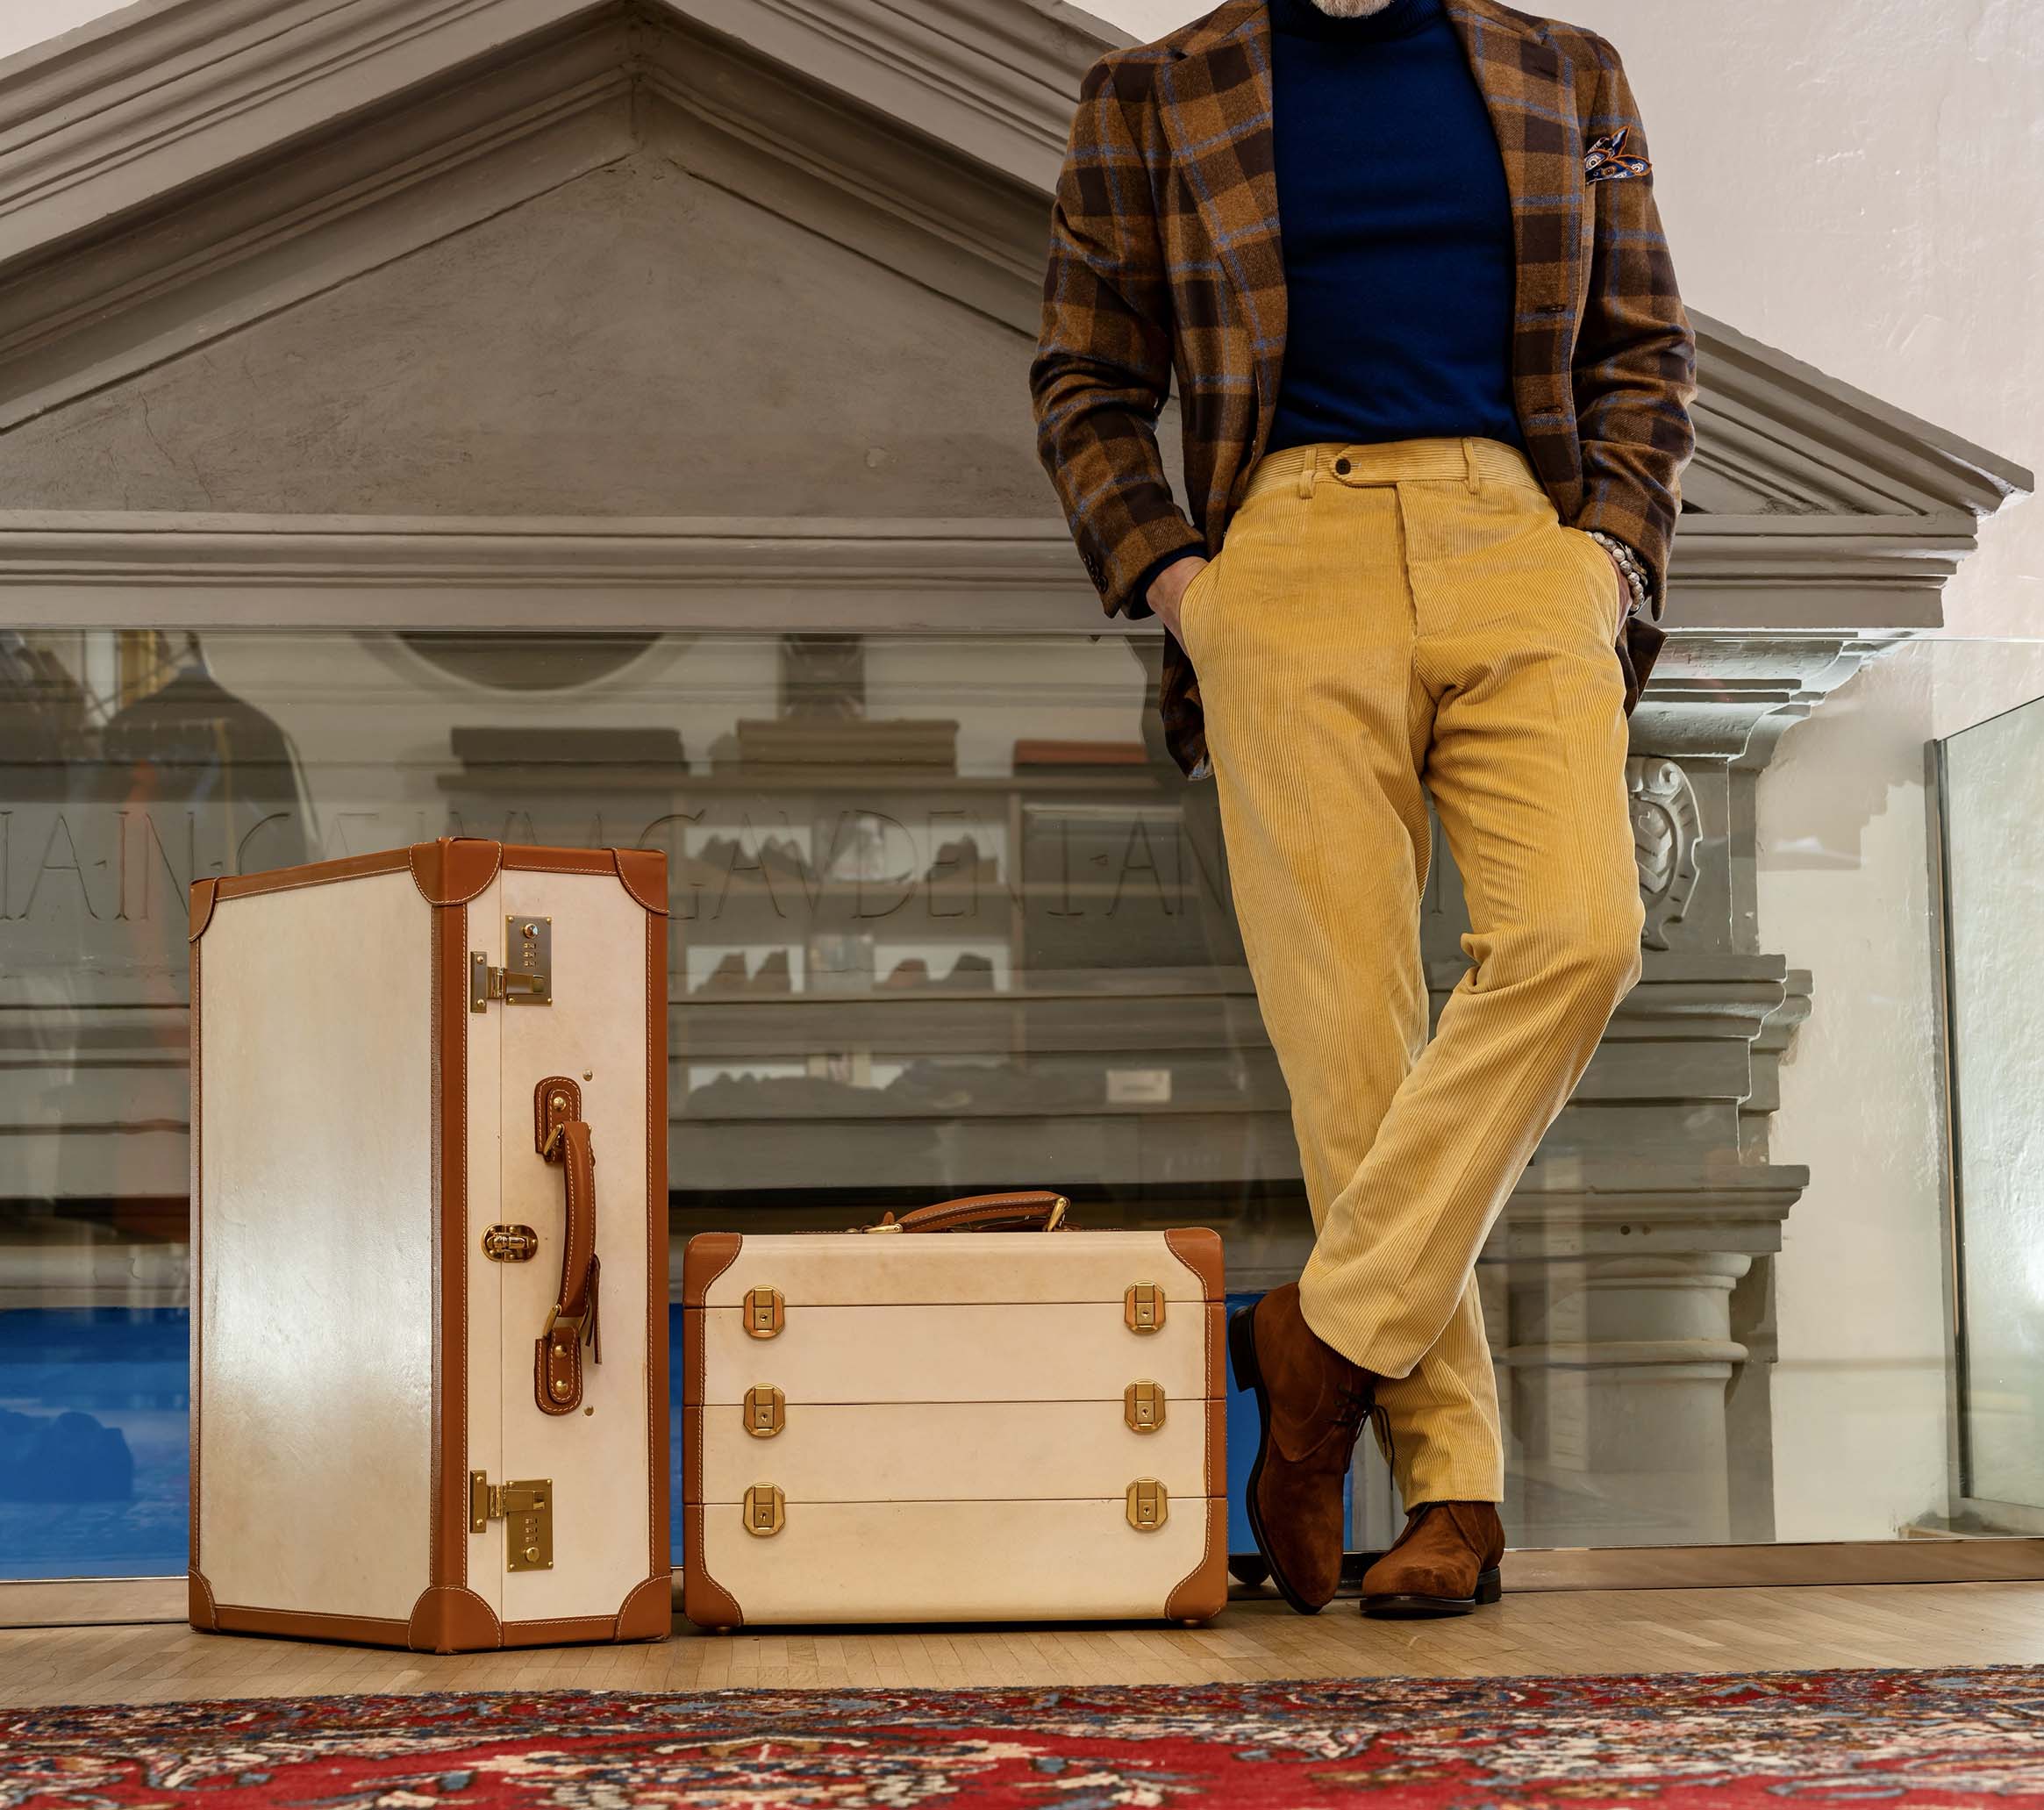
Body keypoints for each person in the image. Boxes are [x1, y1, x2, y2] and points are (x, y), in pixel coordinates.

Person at [1028, 0, 1696, 1619]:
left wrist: (1605, 557)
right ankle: (1451, 1489)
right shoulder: (1153, 91)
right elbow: (1086, 374)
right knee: (1350, 1034)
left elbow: (1640, 346)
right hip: (1286, 552)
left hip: (1514, 537)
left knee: (1574, 935)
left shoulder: (1567, 74)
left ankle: (1316, 1338)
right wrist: (1186, 590)